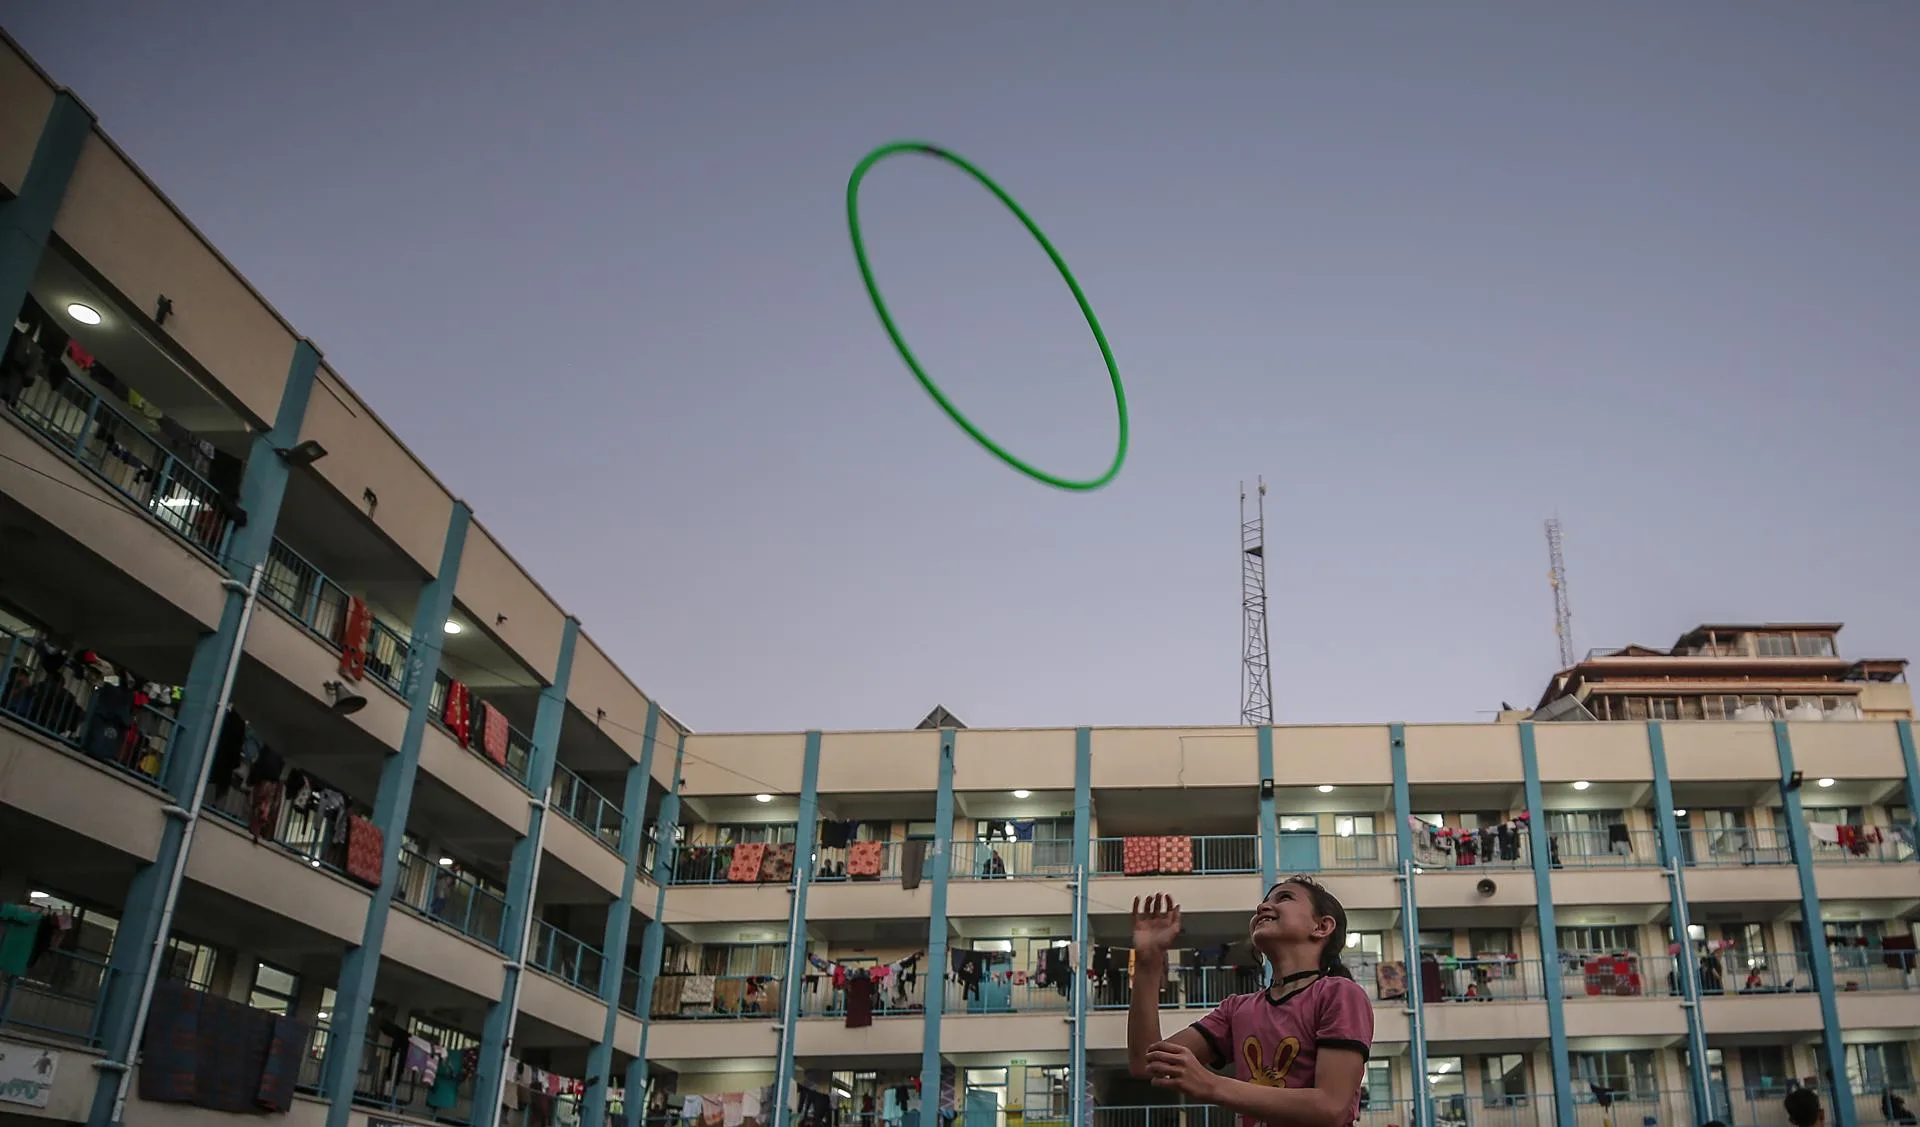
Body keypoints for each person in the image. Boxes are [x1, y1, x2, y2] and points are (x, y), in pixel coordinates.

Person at [1128, 876, 1373, 1127]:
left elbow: (1330, 1107)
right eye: (1264, 901)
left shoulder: (1339, 994)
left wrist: (1211, 1084)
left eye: (1285, 897)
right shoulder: (1237, 1009)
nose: (1262, 907)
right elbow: (1145, 1063)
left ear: (1321, 927)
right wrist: (1148, 963)